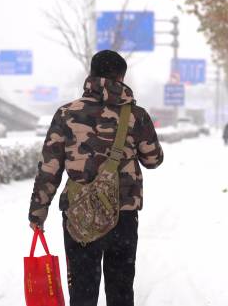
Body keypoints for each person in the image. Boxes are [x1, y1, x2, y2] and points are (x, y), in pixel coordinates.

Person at [28, 50, 164, 306]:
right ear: (121, 77)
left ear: (91, 75)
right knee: (121, 290)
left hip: (79, 215)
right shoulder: (137, 116)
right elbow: (153, 160)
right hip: (123, 214)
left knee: (82, 291)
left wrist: (38, 212)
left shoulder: (66, 114)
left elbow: (50, 168)